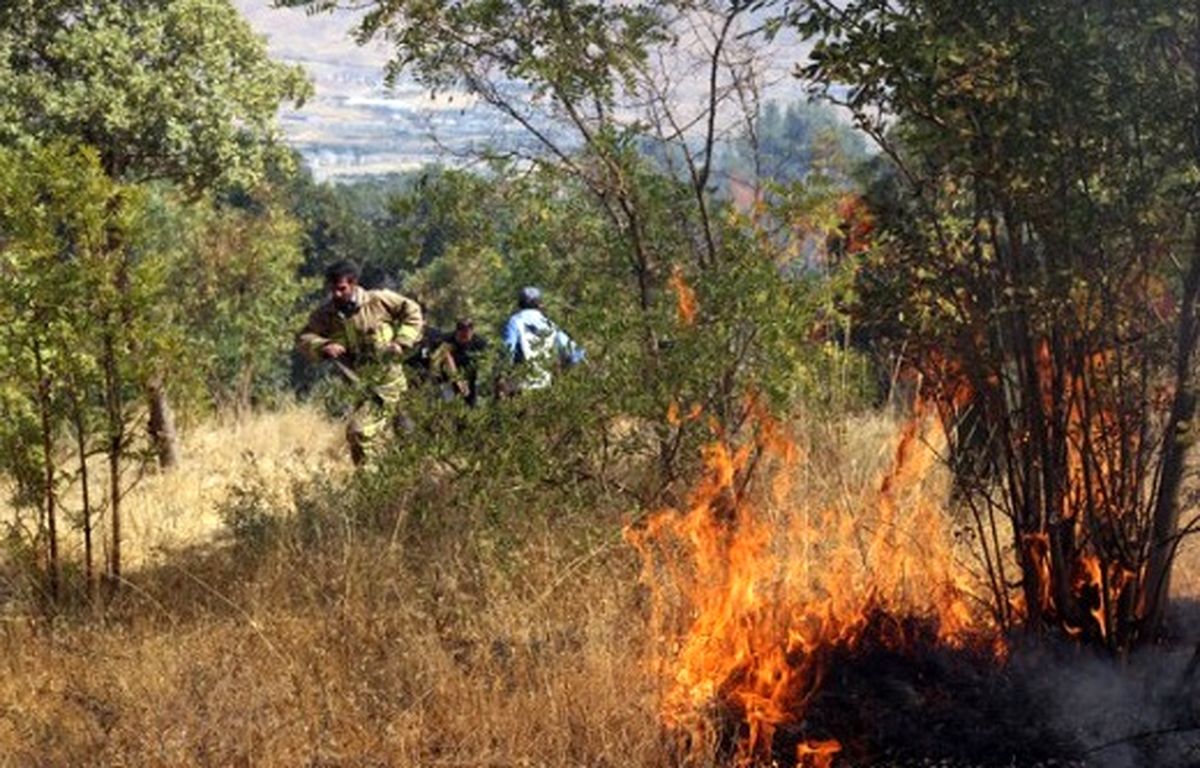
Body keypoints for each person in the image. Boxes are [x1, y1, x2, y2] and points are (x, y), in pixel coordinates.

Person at [297, 259, 423, 466]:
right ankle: (381, 487)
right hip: (358, 386)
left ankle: (377, 485)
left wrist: (401, 342)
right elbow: (303, 337)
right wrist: (322, 345)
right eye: (332, 290)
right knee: (400, 433)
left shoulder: (379, 301)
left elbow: (413, 312)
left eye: (341, 289)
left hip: (387, 382)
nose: (336, 294)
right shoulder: (326, 315)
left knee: (358, 431)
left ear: (354, 283)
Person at [500, 286, 584, 394]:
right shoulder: (550, 325)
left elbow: (506, 354)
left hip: (519, 388)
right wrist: (563, 372)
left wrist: (501, 381)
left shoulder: (514, 322)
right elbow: (576, 353)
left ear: (519, 303)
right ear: (540, 304)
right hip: (544, 390)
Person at [430, 318, 490, 407]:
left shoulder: (479, 343)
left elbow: (484, 363)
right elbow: (445, 359)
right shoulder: (445, 340)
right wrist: (457, 380)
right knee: (447, 405)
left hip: (469, 378)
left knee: (471, 405)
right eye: (462, 336)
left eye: (467, 336)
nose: (464, 339)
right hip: (447, 378)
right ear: (457, 332)